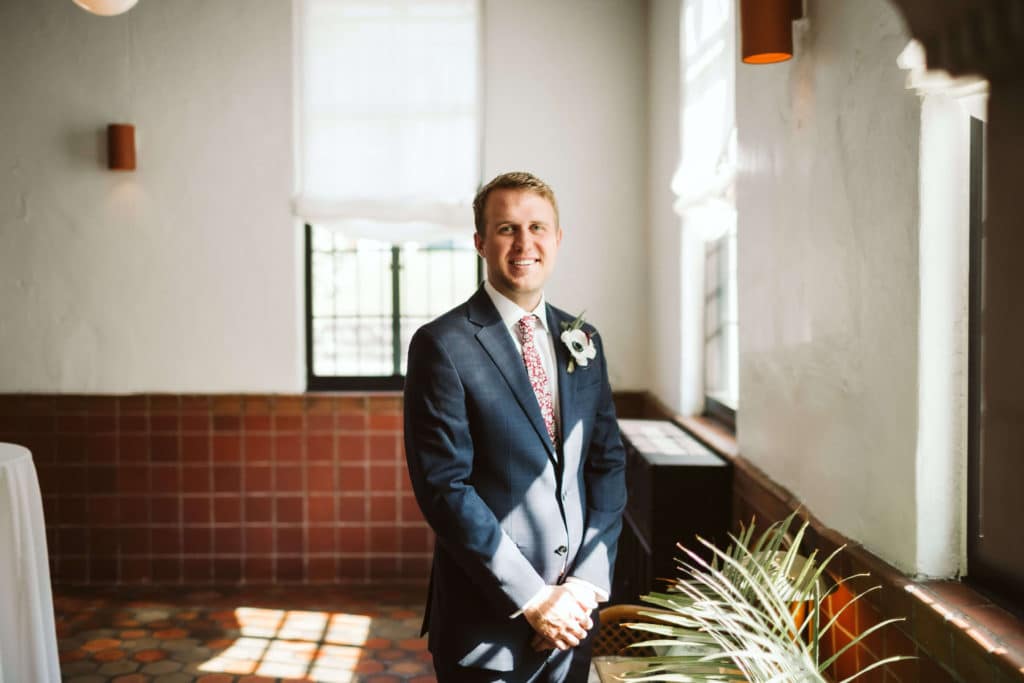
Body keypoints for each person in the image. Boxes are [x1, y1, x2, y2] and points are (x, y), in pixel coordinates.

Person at [403, 171, 627, 682]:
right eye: (506, 229)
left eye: (537, 227)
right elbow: (444, 489)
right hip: (488, 632)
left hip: (573, 622)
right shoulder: (442, 345)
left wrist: (585, 585)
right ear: (480, 241)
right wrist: (532, 597)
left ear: (558, 239)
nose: (524, 243)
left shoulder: (582, 337)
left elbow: (607, 463)